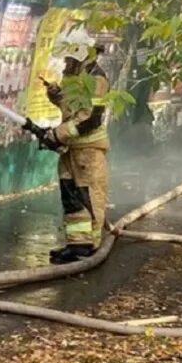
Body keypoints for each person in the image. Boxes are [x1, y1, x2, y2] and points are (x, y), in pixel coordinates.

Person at [30, 26, 110, 264]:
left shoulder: (96, 78)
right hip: (71, 149)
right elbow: (70, 107)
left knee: (87, 195)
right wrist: (56, 95)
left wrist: (58, 134)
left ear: (80, 53)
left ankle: (90, 245)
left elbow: (91, 117)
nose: (66, 62)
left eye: (69, 58)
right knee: (71, 195)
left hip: (88, 151)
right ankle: (77, 243)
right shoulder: (74, 75)